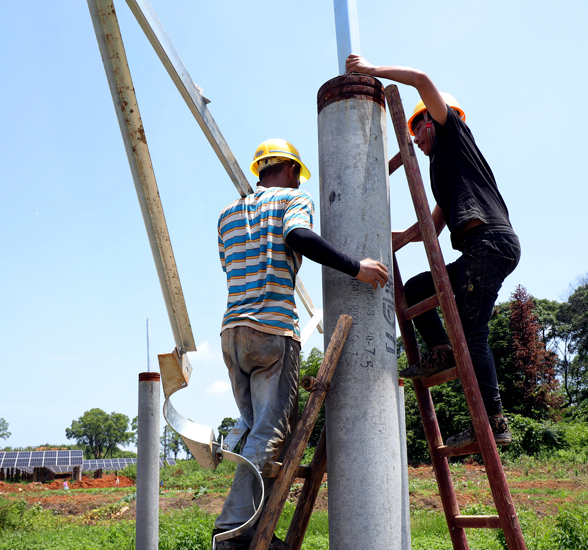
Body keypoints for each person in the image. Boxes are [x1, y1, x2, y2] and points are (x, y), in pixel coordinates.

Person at [214, 138, 388, 549]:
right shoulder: (294, 199)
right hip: (271, 331)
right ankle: (232, 532)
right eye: (297, 176)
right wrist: (356, 267)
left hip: (232, 334)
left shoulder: (227, 213)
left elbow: (228, 265)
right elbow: (297, 235)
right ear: (291, 170)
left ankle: (255, 530)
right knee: (270, 434)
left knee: (259, 434)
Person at [345, 55, 521, 448]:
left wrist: (371, 71)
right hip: (480, 250)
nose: (416, 139)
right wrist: (387, 236)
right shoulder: (445, 172)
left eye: (417, 129)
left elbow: (422, 78)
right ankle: (441, 349)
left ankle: (493, 422)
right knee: (419, 288)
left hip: (489, 244)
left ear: (432, 119)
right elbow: (430, 229)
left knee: (473, 333)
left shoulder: (454, 135)